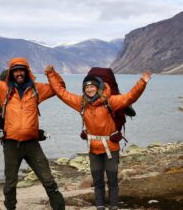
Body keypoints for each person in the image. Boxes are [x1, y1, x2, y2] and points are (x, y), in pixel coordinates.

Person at [0, 48, 65, 210]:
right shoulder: (3, 89)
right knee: (10, 184)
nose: (19, 73)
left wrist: (52, 73)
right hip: (11, 145)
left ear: (27, 71)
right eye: (16, 70)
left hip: (32, 145)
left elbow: (59, 88)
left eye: (21, 70)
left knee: (48, 180)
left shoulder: (37, 90)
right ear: (11, 72)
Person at [44, 65, 151, 210]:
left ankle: (113, 207)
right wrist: (51, 73)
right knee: (98, 181)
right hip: (93, 149)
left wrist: (142, 82)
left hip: (110, 148)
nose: (89, 89)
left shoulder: (111, 101)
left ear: (99, 87)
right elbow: (61, 93)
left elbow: (130, 96)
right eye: (86, 88)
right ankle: (100, 207)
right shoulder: (81, 103)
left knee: (112, 181)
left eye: (92, 86)